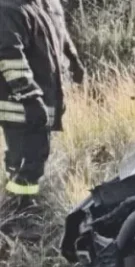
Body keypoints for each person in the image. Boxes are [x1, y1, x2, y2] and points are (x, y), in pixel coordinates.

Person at [0, 0, 85, 213]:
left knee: (37, 153)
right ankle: (18, 212)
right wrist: (29, 97)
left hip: (45, 98)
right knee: (25, 159)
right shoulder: (8, 9)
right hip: (19, 104)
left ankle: (24, 202)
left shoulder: (49, 3)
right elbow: (9, 56)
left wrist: (73, 58)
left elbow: (61, 32)